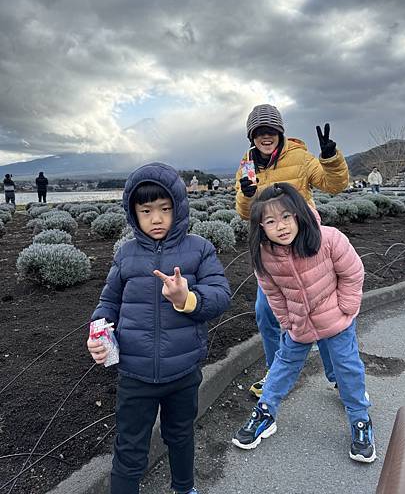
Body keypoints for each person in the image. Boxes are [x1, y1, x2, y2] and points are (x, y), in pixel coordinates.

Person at [87, 162, 231, 494]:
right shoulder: (125, 254)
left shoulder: (199, 249)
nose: (156, 218)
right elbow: (108, 302)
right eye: (146, 210)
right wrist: (97, 333)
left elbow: (221, 294)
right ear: (132, 212)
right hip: (134, 374)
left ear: (178, 208)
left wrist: (187, 298)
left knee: (180, 435)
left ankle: (184, 487)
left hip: (182, 372)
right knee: (129, 446)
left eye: (165, 209)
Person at [232, 183, 375, 463]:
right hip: (299, 324)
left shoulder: (328, 239)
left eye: (286, 216)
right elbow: (272, 292)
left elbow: (353, 273)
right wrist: (287, 321)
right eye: (270, 221)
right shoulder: (264, 255)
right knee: (282, 366)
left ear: (299, 214)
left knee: (347, 367)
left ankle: (360, 420)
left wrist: (346, 309)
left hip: (336, 320)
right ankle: (265, 413)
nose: (281, 226)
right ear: (260, 227)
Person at [235, 103, 349, 397]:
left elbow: (333, 185)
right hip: (270, 252)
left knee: (319, 309)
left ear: (279, 132)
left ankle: (338, 376)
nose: (265, 135)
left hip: (305, 245)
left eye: (270, 130)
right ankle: (277, 373)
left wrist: (329, 158)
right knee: (265, 312)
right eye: (259, 131)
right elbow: (245, 212)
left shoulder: (299, 156)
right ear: (252, 136)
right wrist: (247, 196)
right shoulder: (247, 164)